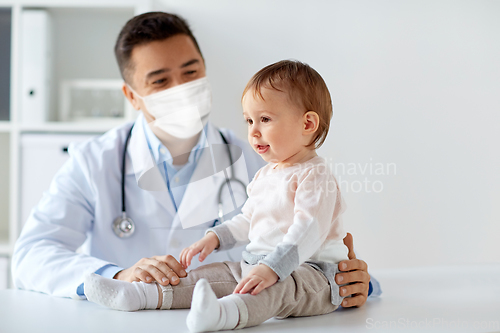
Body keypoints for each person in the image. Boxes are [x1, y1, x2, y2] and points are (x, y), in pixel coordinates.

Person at [12, 12, 377, 307]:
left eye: (191, 72)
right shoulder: (94, 161)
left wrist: (358, 282)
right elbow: (31, 256)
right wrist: (117, 274)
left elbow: (311, 246)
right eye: (160, 81)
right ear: (132, 96)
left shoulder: (262, 159)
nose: (183, 90)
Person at [84, 60, 368, 332]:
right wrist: (215, 238)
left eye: (265, 119)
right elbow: (247, 220)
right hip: (258, 264)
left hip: (312, 275)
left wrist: (273, 268)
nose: (253, 132)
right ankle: (138, 295)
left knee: (274, 290)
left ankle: (223, 315)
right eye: (249, 120)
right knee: (213, 274)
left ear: (307, 125)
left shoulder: (315, 175)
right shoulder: (267, 174)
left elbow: (306, 231)